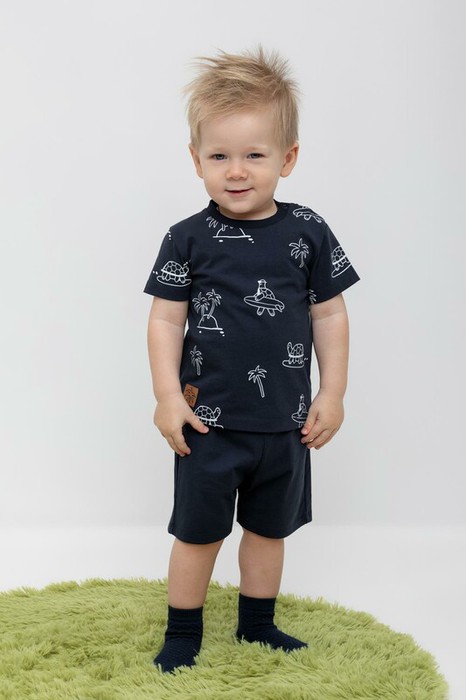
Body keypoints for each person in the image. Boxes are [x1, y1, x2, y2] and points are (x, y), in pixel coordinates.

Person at [143, 45, 361, 674]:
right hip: (207, 424)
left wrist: (333, 393)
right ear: (196, 160)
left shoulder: (308, 231)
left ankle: (258, 624)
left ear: (287, 158)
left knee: (269, 531)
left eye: (255, 156)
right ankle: (183, 631)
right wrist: (166, 397)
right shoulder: (186, 238)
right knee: (198, 533)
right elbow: (165, 319)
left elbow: (330, 315)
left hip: (284, 425)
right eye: (219, 156)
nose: (236, 172)